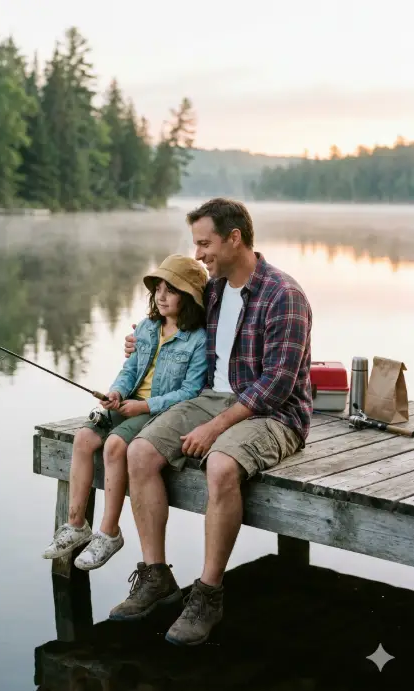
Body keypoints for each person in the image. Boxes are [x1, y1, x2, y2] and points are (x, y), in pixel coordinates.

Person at [109, 198, 313, 646]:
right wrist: (140, 342)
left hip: (274, 413)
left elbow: (276, 386)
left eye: (205, 244)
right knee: (139, 451)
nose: (199, 255)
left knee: (221, 465)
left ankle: (208, 593)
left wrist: (215, 427)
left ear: (234, 238)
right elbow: (175, 330)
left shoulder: (284, 296)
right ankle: (156, 574)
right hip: (211, 397)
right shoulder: (216, 289)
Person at [42, 254, 209, 571]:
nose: (161, 296)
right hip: (129, 402)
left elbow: (190, 392)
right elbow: (129, 370)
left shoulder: (197, 340)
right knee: (83, 439)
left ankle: (109, 533)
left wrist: (143, 406)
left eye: (170, 290)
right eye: (158, 288)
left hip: (158, 411)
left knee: (116, 445)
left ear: (188, 297)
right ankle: (76, 526)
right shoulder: (147, 328)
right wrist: (116, 392)